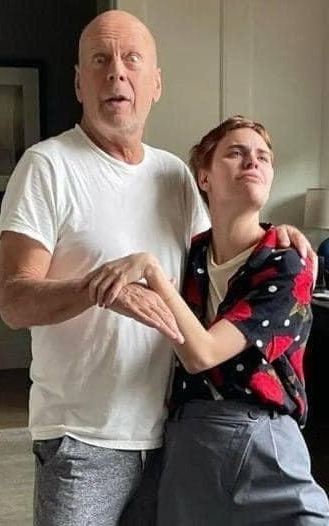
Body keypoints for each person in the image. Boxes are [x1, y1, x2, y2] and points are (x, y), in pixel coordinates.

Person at [0, 10, 312, 526]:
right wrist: (99, 289)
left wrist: (280, 234)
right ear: (79, 82)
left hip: (174, 435)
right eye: (100, 60)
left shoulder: (175, 176)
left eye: (132, 59)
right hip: (84, 440)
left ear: (156, 84)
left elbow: (220, 255)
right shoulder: (47, 166)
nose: (116, 72)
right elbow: (13, 300)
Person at [94, 117, 329, 524]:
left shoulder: (288, 263)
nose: (252, 162)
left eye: (263, 157)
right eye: (236, 153)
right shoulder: (187, 256)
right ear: (204, 177)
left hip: (263, 437)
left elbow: (201, 354)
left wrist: (150, 270)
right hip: (190, 436)